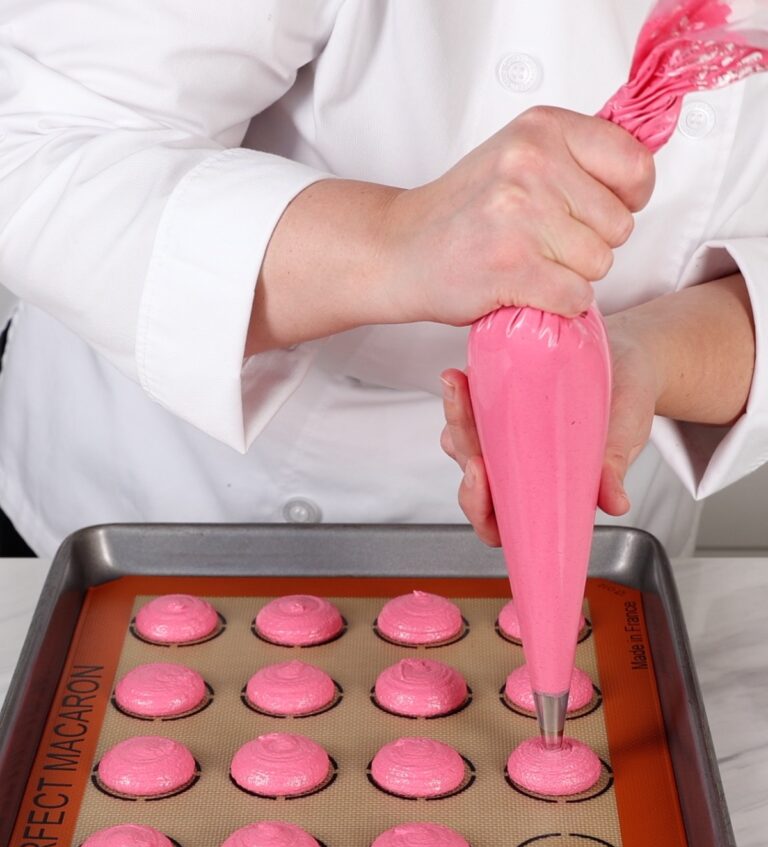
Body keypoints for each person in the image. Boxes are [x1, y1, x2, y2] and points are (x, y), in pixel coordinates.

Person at [0, 1, 765, 558]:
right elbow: (42, 149)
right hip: (163, 512)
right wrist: (394, 241)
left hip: (599, 547)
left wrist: (645, 359)